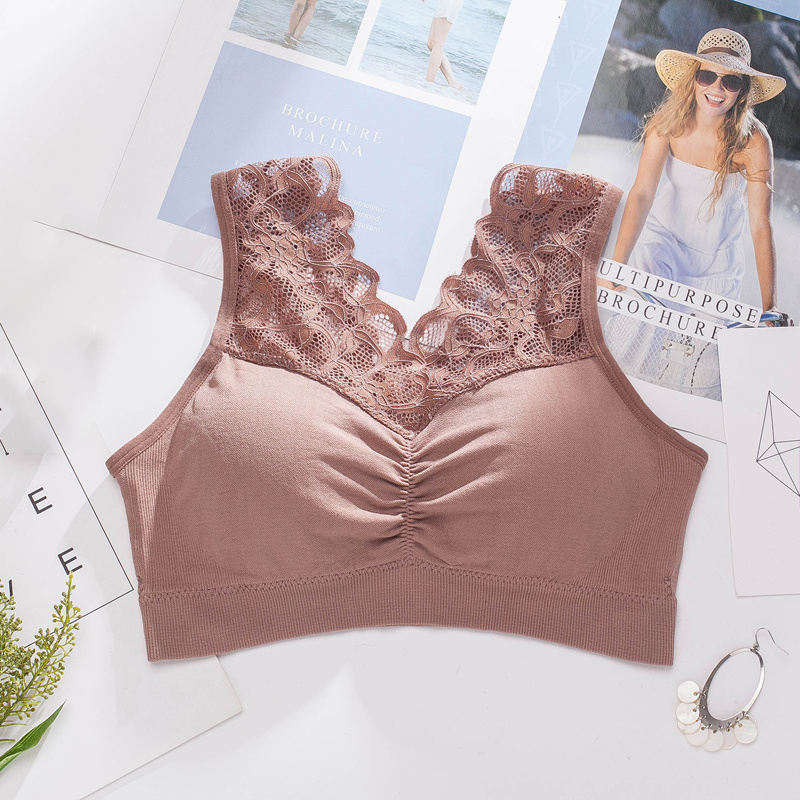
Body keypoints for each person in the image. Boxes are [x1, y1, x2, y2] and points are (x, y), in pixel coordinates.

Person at [607, 28, 787, 316]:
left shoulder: (753, 141)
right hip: (662, 244)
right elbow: (641, 194)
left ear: (741, 91)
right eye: (707, 76)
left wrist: (771, 306)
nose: (716, 88)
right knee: (639, 325)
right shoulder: (667, 124)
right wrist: (618, 266)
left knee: (699, 343)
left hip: (719, 264)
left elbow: (760, 224)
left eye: (730, 81)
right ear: (693, 78)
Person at [422, 0, 463, 89]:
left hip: (449, 3)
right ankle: (452, 82)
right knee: (431, 44)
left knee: (438, 44)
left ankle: (428, 83)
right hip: (447, 3)